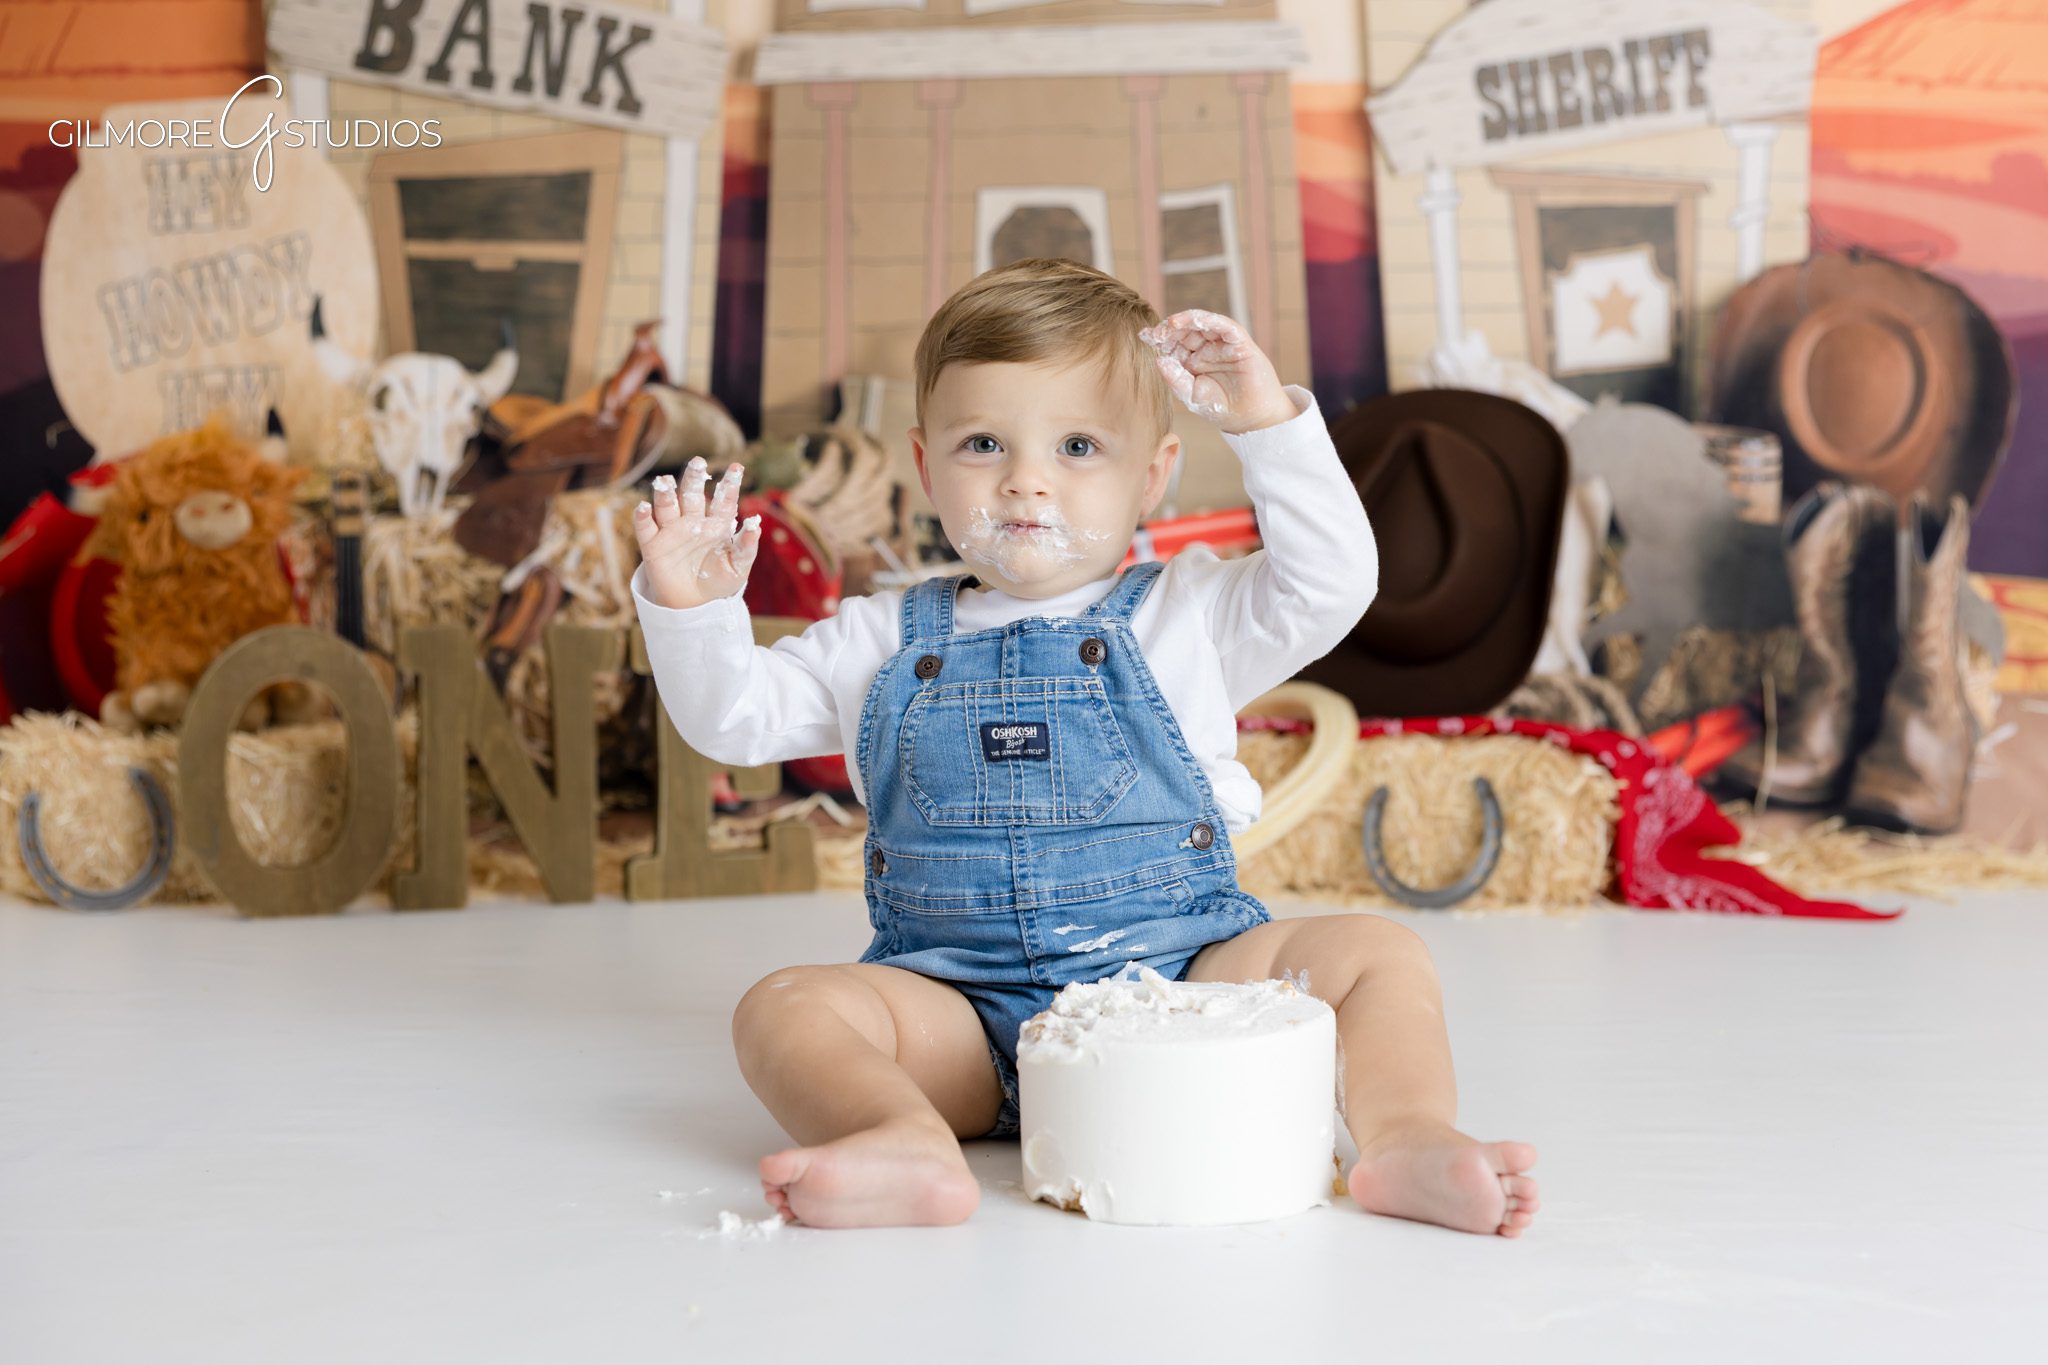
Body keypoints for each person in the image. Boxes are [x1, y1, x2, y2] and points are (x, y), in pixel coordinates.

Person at [631, 258, 1540, 1236]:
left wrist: (1262, 420)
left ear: (1151, 475)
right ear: (925, 465)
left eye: (1076, 446)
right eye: (984, 443)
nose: (1025, 480)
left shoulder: (1190, 613)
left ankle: (1403, 1135)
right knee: (784, 1005)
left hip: (1184, 991)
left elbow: (1330, 582)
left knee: (1374, 952)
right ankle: (897, 1136)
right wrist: (691, 608)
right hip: (959, 1023)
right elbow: (734, 720)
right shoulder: (877, 638)